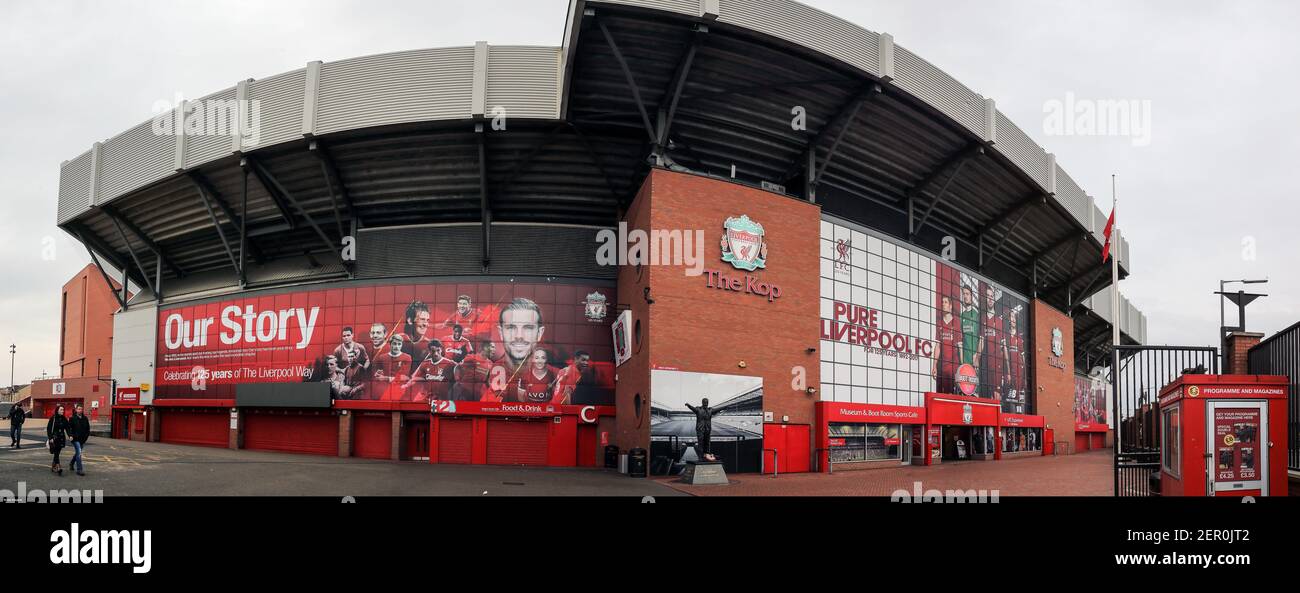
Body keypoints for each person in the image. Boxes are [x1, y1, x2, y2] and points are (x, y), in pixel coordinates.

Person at [46, 405, 71, 476]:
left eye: (63, 410)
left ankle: (53, 465)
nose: (62, 411)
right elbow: (49, 428)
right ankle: (58, 466)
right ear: (57, 410)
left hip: (61, 438)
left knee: (57, 453)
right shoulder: (53, 418)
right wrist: (50, 437)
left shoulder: (64, 418)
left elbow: (67, 428)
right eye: (61, 410)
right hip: (54, 438)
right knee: (56, 452)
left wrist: (70, 435)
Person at [69, 405, 91, 476]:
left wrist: (86, 437)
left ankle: (71, 463)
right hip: (75, 439)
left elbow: (88, 429)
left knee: (78, 453)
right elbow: (69, 429)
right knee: (79, 452)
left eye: (81, 409)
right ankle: (79, 469)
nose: (80, 410)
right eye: (78, 409)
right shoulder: (72, 418)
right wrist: (71, 435)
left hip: (82, 439)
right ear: (76, 410)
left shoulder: (85, 418)